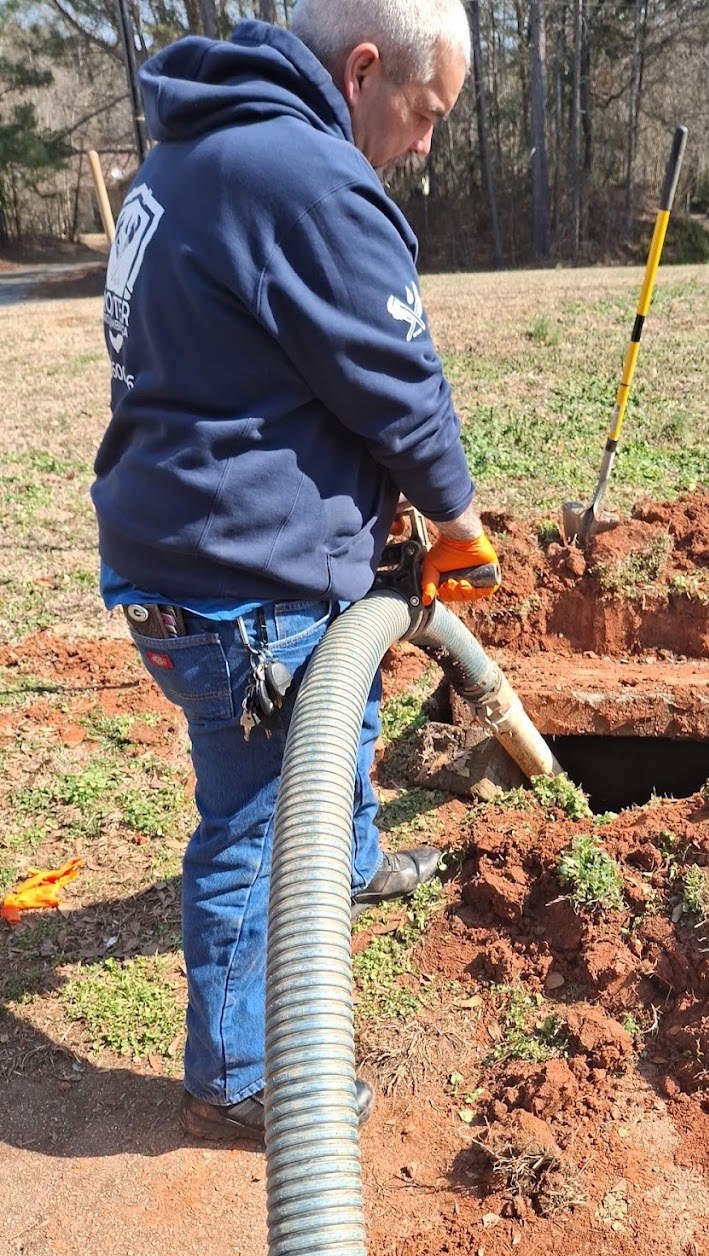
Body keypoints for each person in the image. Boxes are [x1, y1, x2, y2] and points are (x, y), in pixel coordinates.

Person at [91, 0, 500, 1144]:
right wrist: (456, 519)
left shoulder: (198, 146)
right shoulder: (306, 178)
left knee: (341, 691)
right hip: (234, 585)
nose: (421, 146)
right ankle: (236, 1074)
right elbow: (394, 380)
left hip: (197, 544)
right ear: (364, 69)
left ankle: (352, 859)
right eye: (422, 115)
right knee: (256, 821)